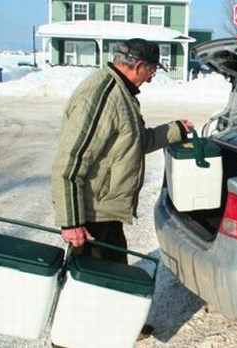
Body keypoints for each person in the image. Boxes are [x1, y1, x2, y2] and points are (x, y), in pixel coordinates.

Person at [51, 38, 194, 338]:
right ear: (138, 66)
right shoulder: (102, 95)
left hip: (108, 209)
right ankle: (69, 340)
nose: (154, 75)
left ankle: (120, 322)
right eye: (153, 69)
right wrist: (71, 222)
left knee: (115, 272)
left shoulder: (122, 94)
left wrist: (176, 130)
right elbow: (70, 161)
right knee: (87, 282)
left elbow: (135, 142)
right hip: (91, 213)